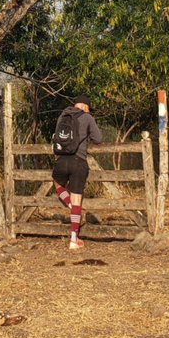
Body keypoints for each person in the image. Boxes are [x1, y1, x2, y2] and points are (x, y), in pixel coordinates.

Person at [52, 94, 103, 251]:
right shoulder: (87, 117)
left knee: (57, 183)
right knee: (76, 200)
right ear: (86, 107)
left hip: (61, 161)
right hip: (78, 162)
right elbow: (98, 138)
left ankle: (71, 207)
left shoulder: (63, 115)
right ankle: (74, 239)